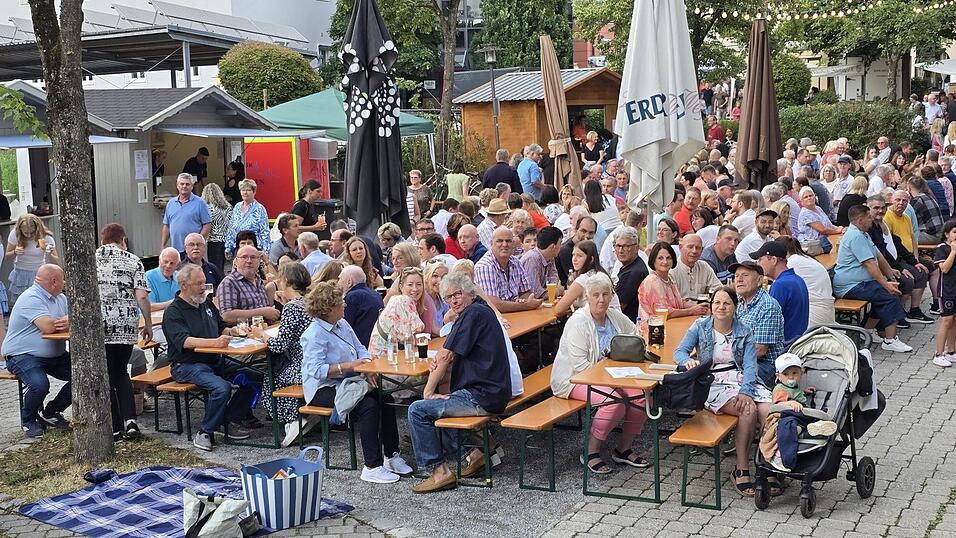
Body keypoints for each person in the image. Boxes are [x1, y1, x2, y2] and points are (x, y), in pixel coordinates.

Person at [408, 273, 513, 493]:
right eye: (448, 298)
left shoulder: (472, 313)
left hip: (483, 395)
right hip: (494, 391)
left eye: (458, 294)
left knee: (418, 410)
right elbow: (450, 355)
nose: (454, 300)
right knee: (443, 404)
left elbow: (446, 355)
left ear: (469, 293)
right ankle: (476, 454)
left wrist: (427, 391)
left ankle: (439, 472)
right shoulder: (479, 310)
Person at [299, 281, 412, 482]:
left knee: (384, 397)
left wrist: (366, 366)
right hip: (322, 389)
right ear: (328, 308)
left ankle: (391, 455)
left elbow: (360, 347)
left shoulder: (341, 324)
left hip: (349, 382)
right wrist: (350, 366)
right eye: (340, 302)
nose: (345, 305)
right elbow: (315, 371)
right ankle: (372, 465)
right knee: (367, 405)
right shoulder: (314, 334)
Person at [675, 285, 771, 496]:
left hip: (740, 378)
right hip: (712, 382)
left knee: (770, 412)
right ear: (710, 306)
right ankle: (741, 468)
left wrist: (746, 391)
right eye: (716, 303)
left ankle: (768, 466)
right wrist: (688, 362)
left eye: (726, 303)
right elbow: (680, 352)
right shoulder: (700, 326)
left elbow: (750, 366)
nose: (721, 307)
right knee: (748, 410)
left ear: (734, 307)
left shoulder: (743, 330)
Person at [550, 273, 650, 474]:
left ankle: (623, 449)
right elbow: (580, 367)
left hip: (612, 375)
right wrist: (613, 378)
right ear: (587, 297)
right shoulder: (579, 322)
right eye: (596, 295)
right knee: (613, 403)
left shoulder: (613, 315)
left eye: (605, 294)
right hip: (573, 379)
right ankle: (590, 451)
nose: (601, 299)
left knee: (641, 397)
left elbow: (636, 334)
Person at [162, 265, 261, 450]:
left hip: (215, 359)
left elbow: (220, 326)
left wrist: (233, 331)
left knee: (255, 375)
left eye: (204, 283)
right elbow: (185, 342)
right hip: (187, 364)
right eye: (198, 283)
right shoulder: (173, 311)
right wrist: (215, 343)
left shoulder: (205, 303)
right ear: (184, 285)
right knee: (221, 388)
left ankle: (229, 419)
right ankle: (205, 432)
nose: (203, 287)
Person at [246, 263, 315, 446]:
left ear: (285, 281)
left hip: (302, 366)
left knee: (271, 376)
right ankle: (301, 415)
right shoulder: (309, 301)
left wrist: (261, 335)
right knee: (279, 369)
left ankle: (292, 420)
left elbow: (279, 344)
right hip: (314, 362)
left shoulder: (292, 307)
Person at [96, 223, 153, 440]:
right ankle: (131, 421)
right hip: (125, 325)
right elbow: (141, 297)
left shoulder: (92, 259)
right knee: (121, 371)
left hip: (100, 326)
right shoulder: (132, 260)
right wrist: (147, 323)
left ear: (103, 240)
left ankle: (116, 426)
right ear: (123, 239)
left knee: (107, 375)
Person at [1, 265, 71, 438]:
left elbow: (73, 319)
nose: (65, 282)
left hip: (55, 355)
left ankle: (51, 412)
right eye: (63, 279)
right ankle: (28, 420)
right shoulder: (31, 297)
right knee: (39, 385)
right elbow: (48, 327)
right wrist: (67, 321)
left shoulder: (60, 298)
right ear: (54, 282)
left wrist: (69, 320)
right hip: (22, 355)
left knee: (86, 375)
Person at [832, 205, 912, 353]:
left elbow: (879, 256)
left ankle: (867, 332)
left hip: (861, 283)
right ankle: (890, 340)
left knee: (884, 292)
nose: (872, 219)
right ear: (860, 220)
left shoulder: (863, 233)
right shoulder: (855, 236)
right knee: (889, 295)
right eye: (868, 217)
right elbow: (869, 264)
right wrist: (886, 284)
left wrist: (890, 273)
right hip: (850, 286)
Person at [764, 353, 839, 472]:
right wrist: (790, 403)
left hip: (801, 415)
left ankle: (815, 427)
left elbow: (795, 392)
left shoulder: (795, 387)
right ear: (778, 376)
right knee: (790, 427)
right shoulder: (780, 389)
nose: (791, 377)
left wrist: (804, 391)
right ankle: (785, 458)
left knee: (809, 419)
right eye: (786, 374)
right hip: (786, 415)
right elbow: (777, 404)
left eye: (795, 373)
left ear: (802, 373)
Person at [866, 195, 933, 324]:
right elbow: (881, 253)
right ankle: (895, 316)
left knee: (921, 272)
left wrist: (915, 261)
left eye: (882, 207)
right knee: (906, 280)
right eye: (876, 208)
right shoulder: (870, 227)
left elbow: (897, 243)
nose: (880, 211)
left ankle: (913, 310)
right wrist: (899, 268)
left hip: (895, 260)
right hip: (881, 266)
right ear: (868, 208)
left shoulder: (881, 223)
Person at [731, 261, 784, 388]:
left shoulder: (767, 305)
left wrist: (725, 354)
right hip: (740, 360)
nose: (739, 280)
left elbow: (759, 351)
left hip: (765, 367)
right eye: (736, 276)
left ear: (759, 280)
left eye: (745, 275)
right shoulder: (737, 301)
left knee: (723, 377)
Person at [751, 241, 809, 348]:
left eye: (760, 259)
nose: (758, 264)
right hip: (797, 344)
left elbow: (767, 322)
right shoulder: (798, 279)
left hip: (784, 348)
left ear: (773, 260)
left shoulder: (780, 285)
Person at [638, 242, 709, 329]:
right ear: (653, 260)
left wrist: (699, 307)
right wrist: (691, 311)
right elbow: (665, 312)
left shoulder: (669, 278)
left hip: (670, 325)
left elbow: (679, 302)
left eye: (668, 258)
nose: (665, 262)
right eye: (660, 258)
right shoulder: (653, 280)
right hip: (652, 330)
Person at [370, 267, 436, 357]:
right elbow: (411, 339)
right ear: (401, 287)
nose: (415, 288)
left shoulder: (404, 301)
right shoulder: (402, 301)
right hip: (383, 360)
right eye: (410, 284)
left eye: (419, 284)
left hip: (389, 356)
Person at [474, 227, 543, 313]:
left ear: (513, 244)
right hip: (495, 320)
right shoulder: (485, 266)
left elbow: (526, 292)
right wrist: (524, 305)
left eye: (508, 241)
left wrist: (524, 300)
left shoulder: (516, 262)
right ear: (491, 243)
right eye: (500, 241)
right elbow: (494, 305)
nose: (505, 245)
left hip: (517, 316)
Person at [777, 237, 835, 327]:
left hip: (813, 314)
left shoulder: (791, 262)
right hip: (826, 312)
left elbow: (779, 287)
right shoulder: (806, 258)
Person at [552, 239, 621, 316]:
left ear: (591, 259)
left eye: (579, 256)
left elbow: (558, 310)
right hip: (616, 321)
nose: (574, 259)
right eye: (573, 255)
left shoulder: (584, 279)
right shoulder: (601, 274)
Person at [217, 245, 281, 325]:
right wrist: (262, 312)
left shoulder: (259, 281)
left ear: (259, 261)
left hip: (265, 331)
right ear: (236, 261)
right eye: (244, 257)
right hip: (242, 334)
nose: (249, 261)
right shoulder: (229, 283)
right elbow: (226, 316)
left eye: (253, 257)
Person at [6, 214, 58, 305]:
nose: (29, 235)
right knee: (22, 304)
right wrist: (15, 252)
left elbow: (56, 261)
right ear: (20, 229)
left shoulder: (45, 237)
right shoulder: (15, 234)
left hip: (39, 273)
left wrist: (49, 251)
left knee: (40, 303)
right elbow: (7, 256)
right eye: (26, 233)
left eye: (32, 232)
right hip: (21, 273)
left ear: (37, 228)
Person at [161, 173, 212, 252]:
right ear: (177, 185)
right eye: (182, 184)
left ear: (192, 186)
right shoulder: (171, 203)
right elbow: (166, 226)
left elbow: (207, 225)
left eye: (187, 184)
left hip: (193, 250)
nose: (184, 186)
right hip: (176, 250)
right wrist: (163, 246)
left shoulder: (200, 203)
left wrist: (197, 242)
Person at [339, 265, 385, 347]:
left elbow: (344, 326)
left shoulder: (352, 297)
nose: (338, 283)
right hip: (377, 344)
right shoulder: (376, 294)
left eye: (340, 279)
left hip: (360, 347)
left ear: (349, 282)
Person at [610, 227, 649, 321]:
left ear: (636, 248)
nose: (620, 250)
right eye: (617, 246)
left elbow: (618, 307)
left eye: (626, 246)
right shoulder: (630, 266)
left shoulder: (634, 273)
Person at [224, 179, 271, 257]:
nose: (245, 193)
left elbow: (264, 231)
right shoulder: (237, 207)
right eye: (243, 190)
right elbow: (231, 227)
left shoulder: (259, 208)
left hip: (254, 247)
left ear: (254, 192)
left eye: (248, 190)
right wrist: (228, 247)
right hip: (238, 246)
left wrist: (266, 251)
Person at [670, 234, 721, 301]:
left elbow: (719, 290)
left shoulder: (704, 266)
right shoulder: (671, 268)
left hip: (704, 309)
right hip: (682, 310)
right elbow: (671, 301)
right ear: (680, 247)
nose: (694, 251)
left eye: (698, 248)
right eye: (690, 247)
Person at [933, 220, 956, 367]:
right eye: (955, 232)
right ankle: (938, 354)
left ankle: (951, 351)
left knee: (954, 320)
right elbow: (944, 268)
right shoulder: (942, 248)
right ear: (947, 234)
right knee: (946, 320)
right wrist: (953, 251)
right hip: (946, 290)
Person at [520, 226, 563, 300]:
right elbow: (535, 293)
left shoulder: (550, 257)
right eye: (560, 243)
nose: (561, 246)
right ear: (553, 246)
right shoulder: (532, 258)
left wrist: (554, 290)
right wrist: (557, 291)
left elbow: (554, 280)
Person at [556, 216, 598, 287]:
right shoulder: (566, 250)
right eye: (583, 231)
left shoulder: (591, 247)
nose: (587, 236)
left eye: (591, 233)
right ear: (576, 230)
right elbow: (573, 278)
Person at [200, 182, 232, 271]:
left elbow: (207, 224)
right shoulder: (228, 206)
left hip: (214, 241)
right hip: (226, 241)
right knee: (223, 267)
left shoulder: (208, 208)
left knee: (215, 269)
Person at [908, 175, 945, 244]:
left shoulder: (918, 199)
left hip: (930, 236)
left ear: (909, 188)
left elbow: (906, 217)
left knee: (902, 239)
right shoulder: (929, 196)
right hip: (939, 235)